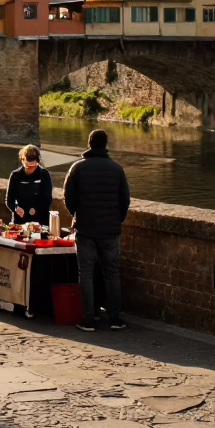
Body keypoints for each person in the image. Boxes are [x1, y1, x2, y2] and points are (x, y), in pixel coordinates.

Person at [63, 128, 130, 332]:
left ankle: (88, 319)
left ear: (89, 143)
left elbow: (68, 198)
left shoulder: (77, 168)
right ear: (106, 144)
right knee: (112, 274)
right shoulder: (117, 169)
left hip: (85, 229)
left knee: (86, 274)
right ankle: (115, 318)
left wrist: (78, 214)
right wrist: (116, 219)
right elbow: (124, 200)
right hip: (110, 230)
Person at [6, 144, 53, 226]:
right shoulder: (15, 175)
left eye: (33, 166)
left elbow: (48, 199)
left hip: (40, 220)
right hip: (20, 220)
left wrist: (37, 209)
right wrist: (15, 208)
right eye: (28, 166)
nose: (31, 169)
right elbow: (9, 199)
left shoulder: (44, 174)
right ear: (22, 160)